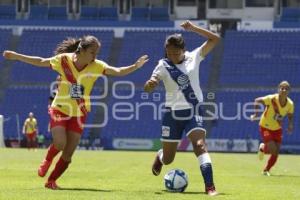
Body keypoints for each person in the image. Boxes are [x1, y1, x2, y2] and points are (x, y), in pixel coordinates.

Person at [3, 35, 148, 189]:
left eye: (97, 53)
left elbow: (117, 71)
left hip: (79, 113)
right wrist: (17, 56)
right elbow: (41, 61)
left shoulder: (97, 66)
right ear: (83, 50)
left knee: (68, 154)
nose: (95, 56)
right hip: (59, 107)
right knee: (60, 143)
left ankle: (51, 181)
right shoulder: (63, 60)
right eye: (93, 52)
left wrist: (135, 66)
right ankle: (47, 160)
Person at [144, 20, 220, 196]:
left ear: (183, 50)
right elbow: (150, 85)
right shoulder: (163, 65)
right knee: (169, 159)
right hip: (172, 114)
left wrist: (193, 29)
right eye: (169, 53)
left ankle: (210, 186)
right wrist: (150, 85)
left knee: (199, 145)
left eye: (176, 53)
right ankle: (160, 156)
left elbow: (215, 39)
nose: (172, 56)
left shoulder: (195, 56)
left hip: (193, 110)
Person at [250, 81, 294, 176]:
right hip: (265, 126)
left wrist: (290, 125)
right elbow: (257, 100)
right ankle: (263, 147)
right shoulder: (271, 98)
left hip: (277, 129)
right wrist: (255, 114)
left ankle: (266, 170)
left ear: (289, 91)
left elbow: (290, 115)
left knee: (276, 152)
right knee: (273, 149)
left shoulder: (290, 104)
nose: (284, 90)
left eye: (286, 88)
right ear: (278, 89)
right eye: (282, 88)